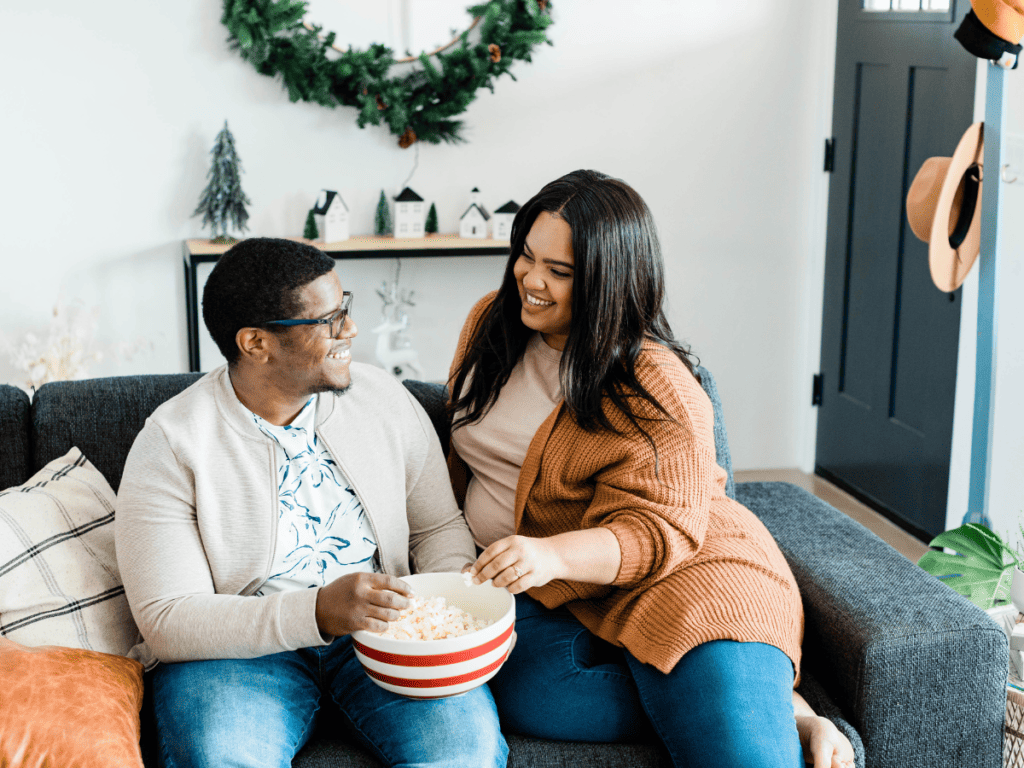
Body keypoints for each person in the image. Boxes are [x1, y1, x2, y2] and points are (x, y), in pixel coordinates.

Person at [447, 170, 855, 768]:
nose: (531, 281)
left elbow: (660, 531)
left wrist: (550, 555)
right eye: (526, 257)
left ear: (607, 282)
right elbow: (455, 455)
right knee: (528, 694)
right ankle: (767, 706)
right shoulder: (492, 322)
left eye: (558, 272)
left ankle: (764, 709)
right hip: (558, 596)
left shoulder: (655, 384)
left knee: (735, 748)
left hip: (691, 572)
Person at [115, 238, 507, 768]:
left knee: (465, 754)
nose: (350, 330)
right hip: (238, 658)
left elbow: (436, 527)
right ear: (256, 343)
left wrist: (438, 611)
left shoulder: (384, 399)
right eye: (329, 319)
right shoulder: (172, 442)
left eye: (346, 308)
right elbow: (168, 618)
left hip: (388, 635)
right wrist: (318, 611)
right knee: (220, 758)